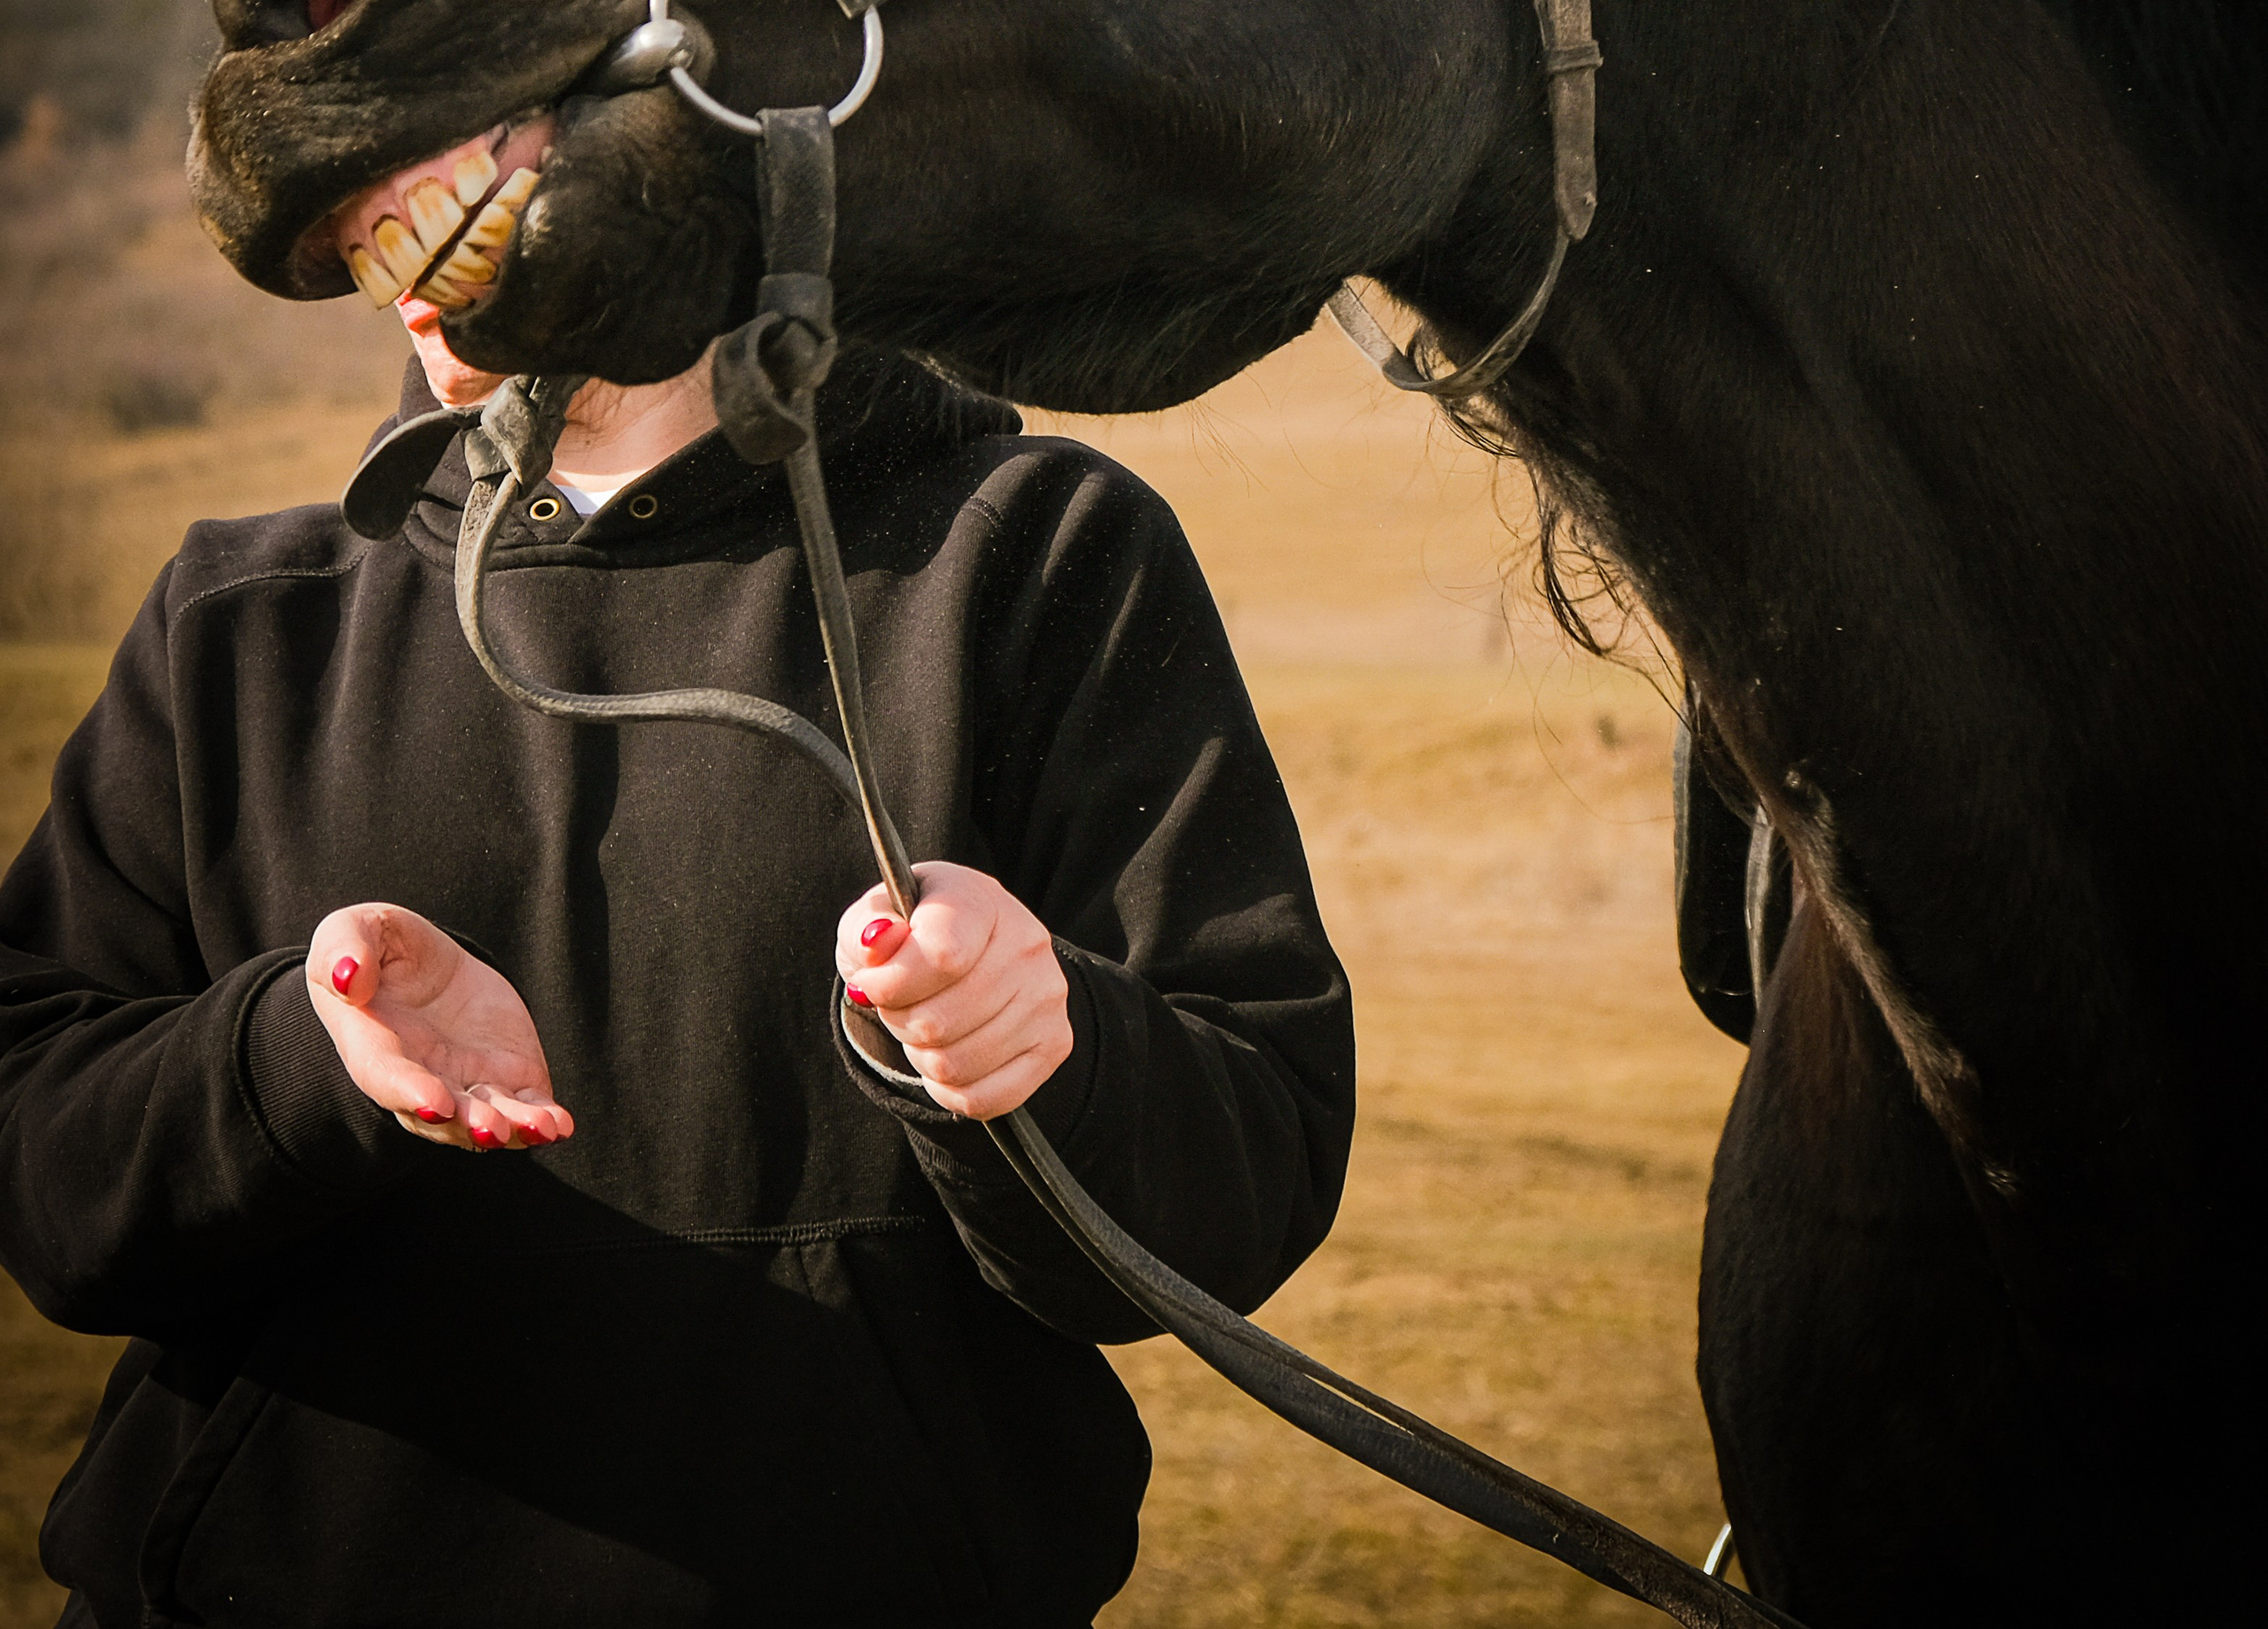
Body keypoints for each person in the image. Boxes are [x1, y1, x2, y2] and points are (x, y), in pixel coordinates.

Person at [0, 290, 1353, 1625]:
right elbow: (45, 1179)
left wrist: (1045, 1051)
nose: (387, 212)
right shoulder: (242, 616)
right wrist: (288, 1061)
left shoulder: (1034, 552)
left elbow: (1249, 1167)